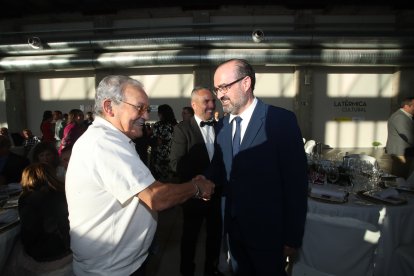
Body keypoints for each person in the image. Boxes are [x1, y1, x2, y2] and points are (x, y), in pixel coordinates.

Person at [65, 75, 215, 276]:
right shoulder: (104, 143)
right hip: (112, 269)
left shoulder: (115, 140)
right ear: (109, 107)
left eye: (147, 109)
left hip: (122, 262)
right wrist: (196, 187)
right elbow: (155, 197)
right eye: (139, 108)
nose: (145, 116)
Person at [209, 59, 308, 275]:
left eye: (224, 87)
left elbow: (296, 184)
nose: (219, 95)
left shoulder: (280, 121)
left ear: (246, 83)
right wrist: (198, 184)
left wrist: (292, 237)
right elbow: (219, 170)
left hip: (268, 236)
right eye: (216, 89)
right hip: (233, 232)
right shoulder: (223, 126)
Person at [170, 87, 223, 276]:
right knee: (190, 239)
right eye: (206, 101)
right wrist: (199, 182)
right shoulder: (182, 129)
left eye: (213, 101)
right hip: (194, 196)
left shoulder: (221, 126)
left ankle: (212, 270)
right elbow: (176, 164)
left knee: (215, 238)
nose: (211, 105)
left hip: (218, 196)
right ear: (194, 105)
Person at [8, 162, 72, 275]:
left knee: (13, 247)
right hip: (69, 246)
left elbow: (29, 232)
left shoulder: (27, 198)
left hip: (47, 254)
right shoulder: (63, 193)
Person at [386, 97, 414, 178]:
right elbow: (407, 135)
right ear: (406, 106)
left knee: (402, 176)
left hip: (404, 152)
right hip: (400, 153)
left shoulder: (406, 116)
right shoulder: (400, 117)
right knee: (400, 178)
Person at [149, 104, 178, 181]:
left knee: (159, 180)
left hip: (159, 155)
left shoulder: (158, 125)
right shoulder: (175, 125)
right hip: (172, 154)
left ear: (161, 113)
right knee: (171, 179)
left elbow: (154, 140)